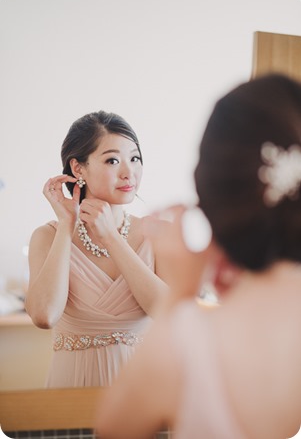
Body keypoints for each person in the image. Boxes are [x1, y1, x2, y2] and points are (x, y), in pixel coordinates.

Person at [96, 74, 301, 439]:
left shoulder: (183, 347)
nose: (128, 172)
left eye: (134, 159)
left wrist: (179, 296)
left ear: (210, 197)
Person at [25, 110, 168, 388]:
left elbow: (169, 311)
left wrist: (112, 238)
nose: (129, 172)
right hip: (72, 387)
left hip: (142, 391)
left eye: (135, 158)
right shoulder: (47, 236)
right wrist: (67, 226)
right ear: (78, 168)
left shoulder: (158, 233)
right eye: (113, 160)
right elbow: (44, 315)